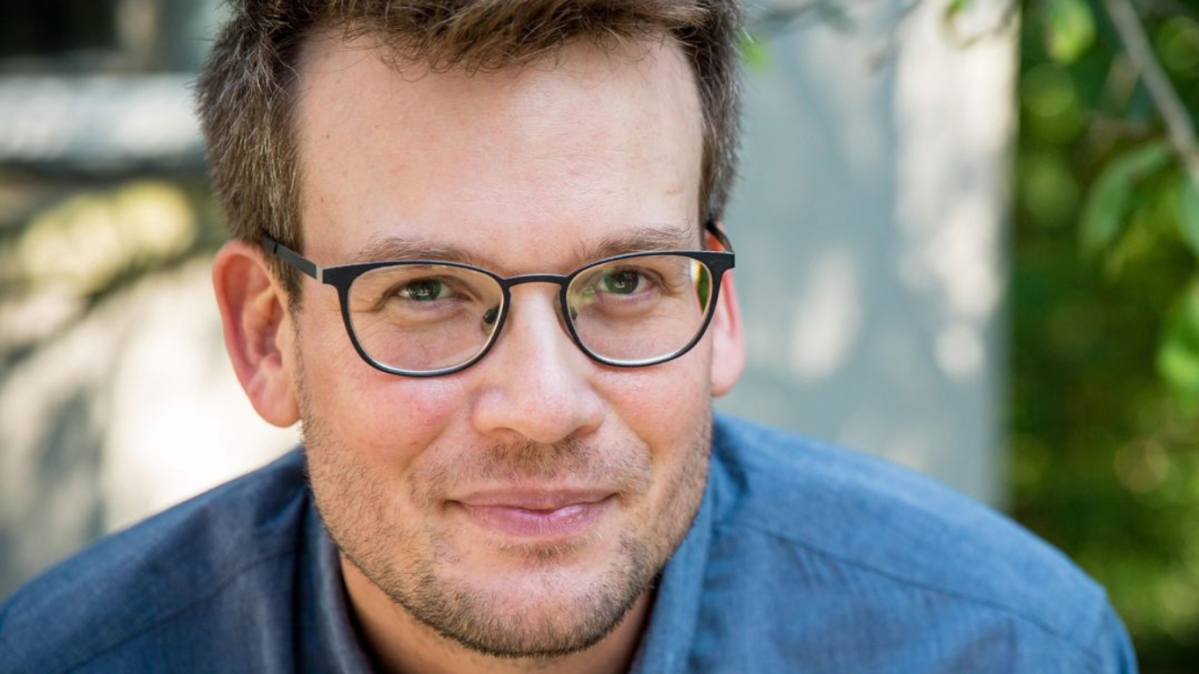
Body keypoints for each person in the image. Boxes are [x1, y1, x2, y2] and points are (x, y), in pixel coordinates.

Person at [0, 1, 1136, 672]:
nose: (543, 406)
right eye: (426, 291)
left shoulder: (1009, 649)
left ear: (716, 311)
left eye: (626, 280)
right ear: (267, 337)